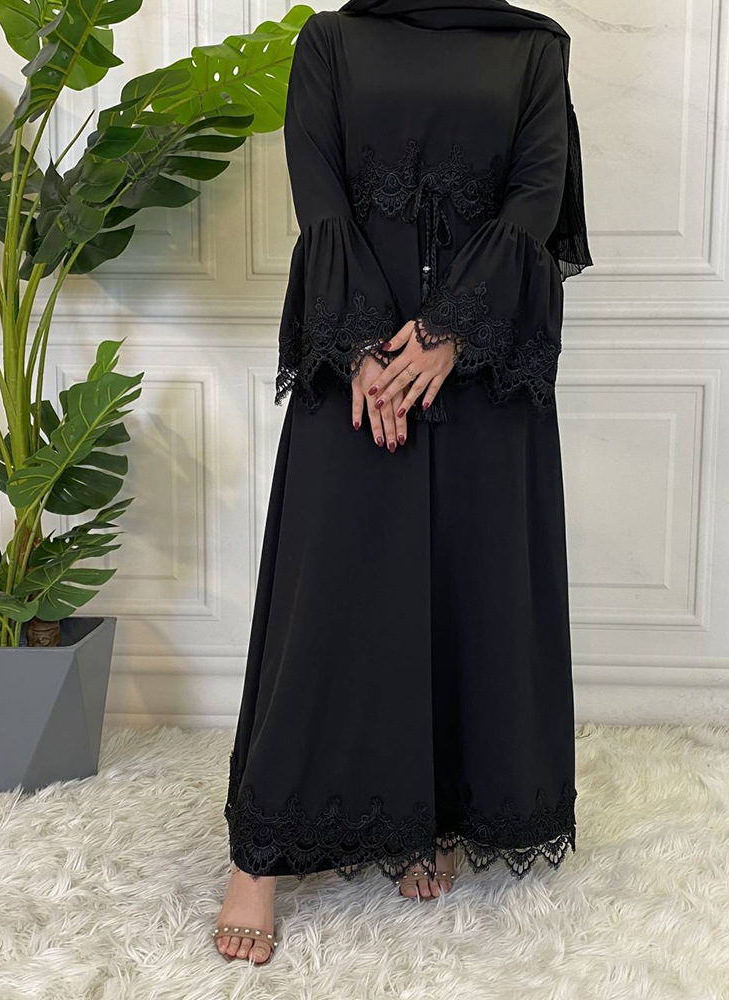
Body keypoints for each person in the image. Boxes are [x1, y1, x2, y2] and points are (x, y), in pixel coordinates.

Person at [213, 0, 593, 966]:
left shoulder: (533, 48)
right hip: (358, 361)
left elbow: (535, 197)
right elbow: (320, 193)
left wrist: (447, 333)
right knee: (327, 592)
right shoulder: (330, 41)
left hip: (481, 361)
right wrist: (366, 348)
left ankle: (425, 818)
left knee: (469, 587)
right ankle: (258, 859)